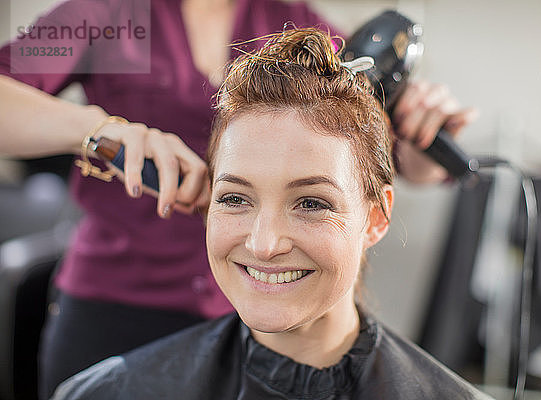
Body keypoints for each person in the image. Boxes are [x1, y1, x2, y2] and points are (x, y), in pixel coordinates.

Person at [0, 0, 476, 397]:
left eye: (309, 204)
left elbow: (369, 162)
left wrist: (421, 139)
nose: (267, 239)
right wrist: (98, 131)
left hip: (254, 313)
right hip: (113, 301)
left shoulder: (299, 29)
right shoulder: (108, 16)